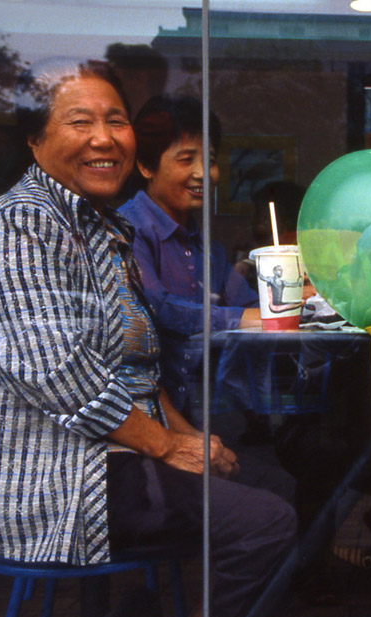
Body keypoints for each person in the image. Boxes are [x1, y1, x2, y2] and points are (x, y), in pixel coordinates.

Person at [0, 59, 296, 617]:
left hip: (108, 457)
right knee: (263, 521)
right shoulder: (18, 226)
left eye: (116, 121)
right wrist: (167, 445)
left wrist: (191, 439)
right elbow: (59, 375)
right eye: (80, 122)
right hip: (47, 478)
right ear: (35, 139)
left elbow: (138, 369)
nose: (103, 138)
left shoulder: (103, 231)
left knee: (271, 488)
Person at [118, 94, 260, 427]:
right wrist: (243, 318)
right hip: (141, 419)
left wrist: (295, 299)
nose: (202, 173)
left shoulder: (207, 247)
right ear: (146, 166)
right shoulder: (127, 228)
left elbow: (248, 303)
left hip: (201, 414)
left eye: (209, 160)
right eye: (186, 159)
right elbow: (157, 307)